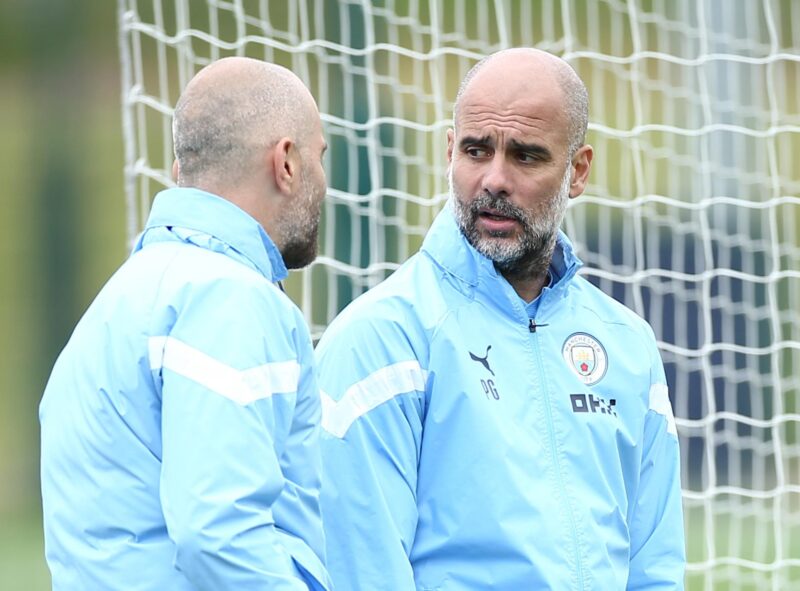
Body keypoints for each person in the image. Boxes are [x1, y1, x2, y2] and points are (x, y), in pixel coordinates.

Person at [316, 48, 686, 590]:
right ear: (449, 153)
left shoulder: (626, 343)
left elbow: (655, 569)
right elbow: (362, 573)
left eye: (527, 156)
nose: (494, 179)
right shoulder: (381, 341)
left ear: (577, 171)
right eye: (475, 150)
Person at [40, 57, 332, 590]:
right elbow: (218, 532)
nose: (325, 179)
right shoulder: (228, 298)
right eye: (320, 155)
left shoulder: (125, 297)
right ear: (286, 162)